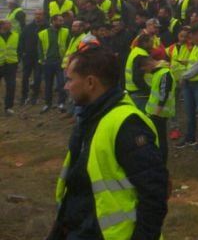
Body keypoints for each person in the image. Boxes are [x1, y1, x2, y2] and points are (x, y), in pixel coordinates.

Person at [50, 44, 168, 239]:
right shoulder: (91, 118)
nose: (66, 86)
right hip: (80, 227)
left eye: (70, 79)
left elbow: (154, 193)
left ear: (90, 83)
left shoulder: (127, 124)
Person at [145, 47, 177, 166]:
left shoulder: (164, 73)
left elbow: (163, 94)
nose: (146, 72)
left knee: (161, 140)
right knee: (157, 139)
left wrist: (156, 112)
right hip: (155, 112)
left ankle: (162, 163)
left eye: (146, 69)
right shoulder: (159, 73)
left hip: (159, 113)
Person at [38, 13, 71, 113]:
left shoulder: (66, 32)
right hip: (48, 62)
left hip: (60, 62)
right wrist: (42, 60)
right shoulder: (43, 33)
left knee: (61, 83)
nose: (62, 22)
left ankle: (61, 103)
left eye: (62, 20)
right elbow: (39, 49)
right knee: (48, 84)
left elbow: (69, 46)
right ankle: (48, 103)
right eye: (59, 20)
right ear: (53, 21)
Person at [19, 9, 44, 106]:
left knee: (37, 77)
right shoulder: (28, 27)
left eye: (40, 14)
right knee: (25, 76)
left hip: (39, 56)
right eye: (37, 14)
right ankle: (24, 96)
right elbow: (21, 40)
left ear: (43, 16)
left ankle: (35, 96)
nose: (38, 16)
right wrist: (22, 53)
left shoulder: (46, 27)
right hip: (28, 56)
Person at [124, 32, 154, 112]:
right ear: (144, 43)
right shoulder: (141, 55)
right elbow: (137, 78)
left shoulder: (135, 51)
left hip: (134, 91)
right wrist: (148, 90)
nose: (153, 45)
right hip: (140, 93)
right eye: (151, 42)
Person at [0, 19, 18, 113]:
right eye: (8, 23)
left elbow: (19, 47)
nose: (11, 25)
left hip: (11, 64)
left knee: (11, 86)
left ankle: (8, 107)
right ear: (2, 25)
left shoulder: (15, 35)